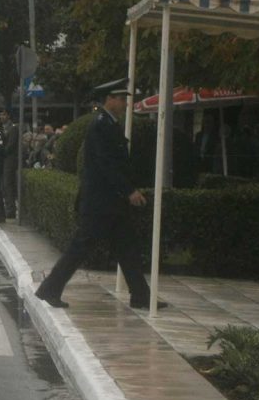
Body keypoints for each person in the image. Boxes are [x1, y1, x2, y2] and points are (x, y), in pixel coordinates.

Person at [34, 78, 167, 311]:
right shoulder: (100, 125)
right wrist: (129, 191)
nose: (126, 103)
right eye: (121, 99)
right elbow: (106, 164)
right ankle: (49, 289)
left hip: (111, 204)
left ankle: (140, 296)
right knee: (80, 249)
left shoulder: (109, 124)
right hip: (100, 205)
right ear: (110, 99)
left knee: (128, 249)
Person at [0, 108, 19, 218]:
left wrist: (1, 153)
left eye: (4, 115)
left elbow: (10, 145)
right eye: (1, 115)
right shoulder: (2, 128)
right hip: (4, 160)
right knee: (4, 186)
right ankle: (8, 207)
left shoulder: (13, 128)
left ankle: (11, 210)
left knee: (8, 184)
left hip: (10, 160)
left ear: (8, 116)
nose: (2, 117)